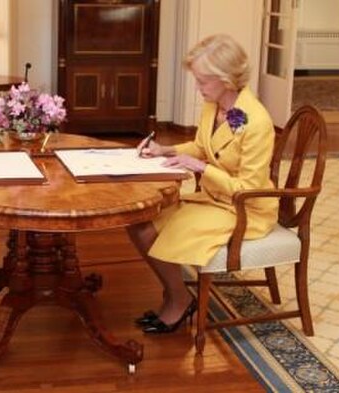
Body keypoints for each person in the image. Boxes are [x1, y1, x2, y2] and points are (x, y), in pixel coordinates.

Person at [127, 34, 278, 333]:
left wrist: (202, 168)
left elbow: (246, 188)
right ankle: (178, 294)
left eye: (202, 81)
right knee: (140, 223)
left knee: (152, 229)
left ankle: (177, 300)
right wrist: (165, 150)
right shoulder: (214, 105)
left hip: (244, 209)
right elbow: (200, 146)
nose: (198, 88)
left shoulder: (257, 122)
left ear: (226, 79)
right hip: (214, 199)